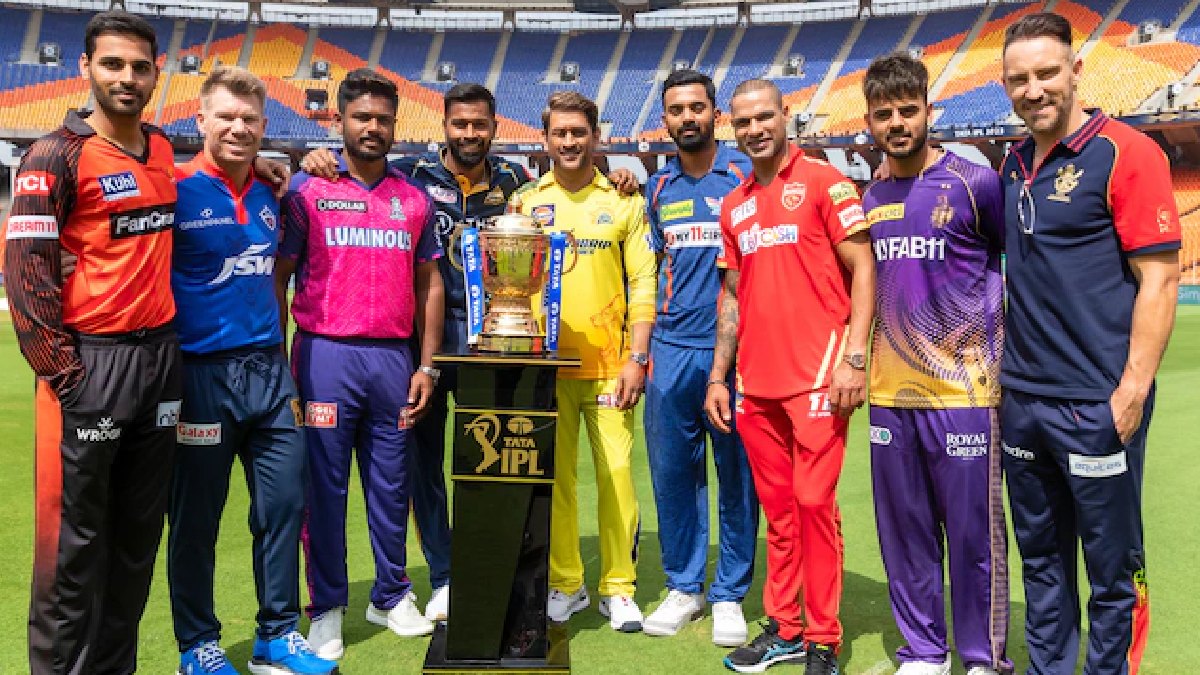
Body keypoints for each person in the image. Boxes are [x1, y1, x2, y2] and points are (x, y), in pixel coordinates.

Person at [300, 83, 532, 622]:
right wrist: (315, 159)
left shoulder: (516, 180)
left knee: (491, 458)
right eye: (460, 124)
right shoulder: (413, 178)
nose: (469, 133)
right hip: (419, 337)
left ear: (494, 128)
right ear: (443, 126)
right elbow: (355, 174)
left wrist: (618, 178)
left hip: (495, 335)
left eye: (479, 124)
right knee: (420, 465)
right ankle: (444, 575)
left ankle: (493, 568)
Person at [998, 13, 1180, 675]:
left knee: (1112, 570)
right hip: (1023, 403)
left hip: (1097, 403)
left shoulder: (1126, 152)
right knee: (1042, 563)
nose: (1034, 89)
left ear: (1076, 71)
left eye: (1047, 73)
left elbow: (1160, 279)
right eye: (1019, 79)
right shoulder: (1012, 161)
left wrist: (1132, 389)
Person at [3, 12, 181, 674]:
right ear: (85, 68)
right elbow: (25, 273)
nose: (126, 77)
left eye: (139, 66)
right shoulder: (54, 155)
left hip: (160, 363)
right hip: (91, 365)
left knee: (135, 544)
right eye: (112, 64)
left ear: (157, 73)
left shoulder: (162, 149)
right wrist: (67, 375)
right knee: (71, 548)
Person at [703, 79, 875, 675]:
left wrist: (854, 358)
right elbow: (732, 295)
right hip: (755, 384)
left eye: (764, 117)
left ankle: (823, 638)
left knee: (813, 504)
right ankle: (785, 627)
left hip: (819, 378)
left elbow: (863, 267)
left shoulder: (826, 182)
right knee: (778, 514)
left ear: (786, 115)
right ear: (733, 127)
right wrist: (719, 376)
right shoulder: (734, 204)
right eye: (744, 121)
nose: (755, 129)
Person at [166, 66, 334, 675]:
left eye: (250, 119)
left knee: (283, 506)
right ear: (200, 120)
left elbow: (309, 175)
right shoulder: (173, 190)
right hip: (201, 376)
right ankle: (197, 644)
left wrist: (294, 162)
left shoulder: (272, 190)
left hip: (270, 372)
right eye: (226, 117)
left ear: (264, 127)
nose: (238, 128)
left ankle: (277, 637)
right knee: (196, 519)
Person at [275, 68, 445, 660]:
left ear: (396, 125)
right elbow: (279, 276)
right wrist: (278, 359)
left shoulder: (413, 198)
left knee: (392, 484)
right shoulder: (308, 190)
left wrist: (427, 366)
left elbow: (429, 284)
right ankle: (326, 607)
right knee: (323, 486)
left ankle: (390, 594)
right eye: (362, 117)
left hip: (394, 359)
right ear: (339, 120)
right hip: (325, 354)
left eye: (383, 119)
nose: (373, 127)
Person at [859, 53, 1009, 675]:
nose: (896, 123)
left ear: (929, 111)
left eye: (907, 110)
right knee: (906, 534)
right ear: (868, 121)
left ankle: (980, 657)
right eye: (883, 114)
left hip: (964, 392)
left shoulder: (977, 183)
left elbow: (1011, 260)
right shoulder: (871, 195)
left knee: (974, 536)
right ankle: (924, 651)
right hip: (890, 393)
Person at [512, 91, 656, 633]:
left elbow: (643, 282)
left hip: (610, 368)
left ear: (596, 136)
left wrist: (637, 357)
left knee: (616, 476)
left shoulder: (623, 199)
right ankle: (566, 583)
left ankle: (619, 587)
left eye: (579, 132)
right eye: (560, 133)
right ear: (545, 139)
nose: (569, 141)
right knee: (555, 480)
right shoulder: (525, 203)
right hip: (546, 369)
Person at [639, 69, 758, 647]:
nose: (687, 117)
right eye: (676, 110)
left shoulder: (745, 174)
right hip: (670, 348)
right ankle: (684, 587)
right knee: (672, 476)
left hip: (735, 351)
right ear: (665, 119)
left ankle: (730, 592)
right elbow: (651, 266)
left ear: (715, 113)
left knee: (737, 476)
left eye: (696, 107)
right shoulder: (656, 187)